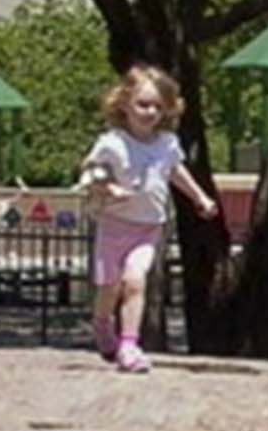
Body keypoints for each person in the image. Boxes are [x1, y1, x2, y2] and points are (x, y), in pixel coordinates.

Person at [78, 65, 218, 373]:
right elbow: (90, 172)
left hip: (149, 227)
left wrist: (200, 197)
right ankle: (102, 324)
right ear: (125, 103)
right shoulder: (112, 143)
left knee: (135, 280)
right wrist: (109, 187)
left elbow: (176, 172)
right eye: (143, 104)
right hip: (114, 226)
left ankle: (129, 344)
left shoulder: (167, 144)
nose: (150, 112)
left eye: (158, 106)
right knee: (109, 287)